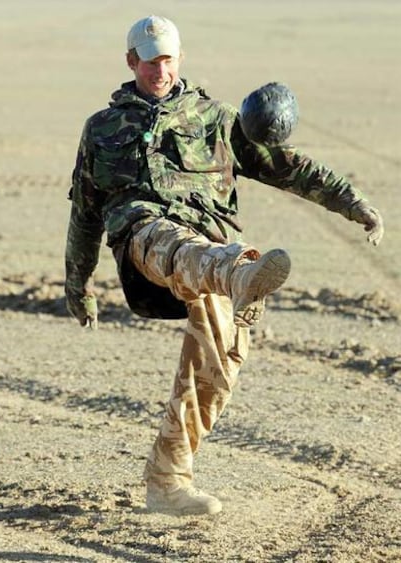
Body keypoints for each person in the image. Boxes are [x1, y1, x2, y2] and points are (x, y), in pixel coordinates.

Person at [65, 15, 384, 516]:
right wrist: (77, 284)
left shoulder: (215, 117)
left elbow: (287, 166)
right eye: (150, 62)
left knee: (217, 370)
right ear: (132, 62)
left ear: (180, 59)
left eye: (168, 60)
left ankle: (167, 481)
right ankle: (242, 273)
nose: (160, 71)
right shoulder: (103, 128)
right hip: (145, 241)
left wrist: (354, 203)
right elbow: (84, 211)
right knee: (171, 241)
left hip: (211, 247)